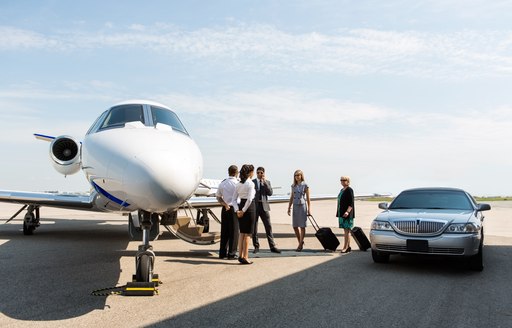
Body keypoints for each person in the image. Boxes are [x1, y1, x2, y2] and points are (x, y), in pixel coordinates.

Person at [252, 167, 281, 254]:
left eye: (261, 172)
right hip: (255, 206)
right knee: (254, 227)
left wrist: (264, 182)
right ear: (256, 173)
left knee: (268, 226)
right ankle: (256, 246)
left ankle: (272, 246)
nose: (259, 174)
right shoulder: (252, 182)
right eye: (258, 173)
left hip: (264, 207)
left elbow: (270, 193)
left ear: (264, 173)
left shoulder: (267, 182)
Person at [232, 164, 256, 264]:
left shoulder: (238, 184)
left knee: (242, 233)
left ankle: (240, 255)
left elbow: (233, 199)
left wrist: (238, 210)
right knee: (248, 234)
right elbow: (250, 199)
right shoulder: (250, 183)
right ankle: (245, 256)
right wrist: (244, 210)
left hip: (241, 205)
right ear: (250, 172)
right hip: (249, 208)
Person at [216, 165, 240, 260]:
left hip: (225, 209)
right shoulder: (238, 183)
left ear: (228, 172)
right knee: (234, 232)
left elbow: (218, 197)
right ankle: (231, 254)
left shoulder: (223, 183)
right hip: (234, 208)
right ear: (236, 173)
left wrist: (225, 204)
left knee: (224, 231)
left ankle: (222, 253)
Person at [287, 169, 311, 252]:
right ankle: (300, 242)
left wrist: (309, 210)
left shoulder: (305, 185)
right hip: (295, 206)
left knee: (302, 226)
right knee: (295, 226)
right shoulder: (293, 185)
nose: (297, 177)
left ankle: (300, 245)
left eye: (298, 175)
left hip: (302, 206)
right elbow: (291, 197)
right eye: (295, 175)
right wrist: (289, 207)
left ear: (301, 176)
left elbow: (308, 198)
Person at [337, 176, 355, 253]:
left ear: (348, 181)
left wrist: (347, 212)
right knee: (346, 231)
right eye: (341, 180)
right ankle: (348, 247)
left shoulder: (349, 190)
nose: (342, 181)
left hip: (347, 214)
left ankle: (345, 247)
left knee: (347, 231)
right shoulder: (342, 190)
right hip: (341, 213)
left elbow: (351, 203)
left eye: (344, 180)